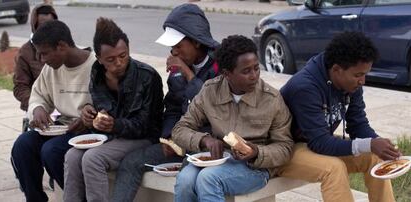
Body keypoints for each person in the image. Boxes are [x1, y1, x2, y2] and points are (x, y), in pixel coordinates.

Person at [111, 4, 220, 201]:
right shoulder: (177, 70)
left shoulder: (220, 64)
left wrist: (187, 74)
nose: (174, 52)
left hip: (208, 142)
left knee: (188, 179)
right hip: (181, 140)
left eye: (179, 46)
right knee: (131, 162)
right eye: (172, 47)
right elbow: (172, 108)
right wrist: (168, 136)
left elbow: (211, 107)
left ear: (196, 41)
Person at [278, 31, 399, 202]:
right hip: (285, 149)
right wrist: (369, 144)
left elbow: (357, 125)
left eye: (365, 74)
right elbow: (320, 143)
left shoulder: (351, 84)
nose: (363, 81)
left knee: (375, 157)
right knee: (333, 168)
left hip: (315, 142)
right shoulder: (305, 87)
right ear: (336, 69)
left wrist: (381, 145)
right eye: (358, 75)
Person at [172, 35, 294, 202]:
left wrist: (256, 152)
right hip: (217, 160)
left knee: (207, 179)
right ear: (227, 74)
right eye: (246, 71)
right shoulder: (210, 91)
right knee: (185, 181)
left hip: (256, 167)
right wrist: (204, 140)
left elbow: (285, 147)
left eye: (256, 68)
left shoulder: (271, 99)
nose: (254, 76)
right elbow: (179, 130)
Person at [63, 17, 164, 202]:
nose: (118, 63)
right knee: (72, 155)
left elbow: (145, 125)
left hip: (144, 137)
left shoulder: (147, 76)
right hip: (113, 137)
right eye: (110, 59)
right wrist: (90, 115)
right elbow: (101, 111)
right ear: (99, 59)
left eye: (123, 56)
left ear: (128, 50)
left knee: (93, 159)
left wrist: (114, 125)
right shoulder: (97, 74)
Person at [11, 20, 96, 202]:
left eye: (44, 54)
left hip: (89, 130)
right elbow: (38, 95)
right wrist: (38, 109)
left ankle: (79, 198)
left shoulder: (95, 65)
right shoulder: (51, 69)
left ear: (62, 46)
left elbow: (110, 103)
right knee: (23, 145)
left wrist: (90, 117)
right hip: (63, 127)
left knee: (51, 151)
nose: (42, 60)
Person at [12, 3, 58, 130]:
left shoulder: (62, 47)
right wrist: (36, 106)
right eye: (43, 26)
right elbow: (20, 87)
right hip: (40, 109)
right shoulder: (25, 52)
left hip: (66, 109)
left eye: (52, 25)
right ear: (34, 26)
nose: (48, 31)